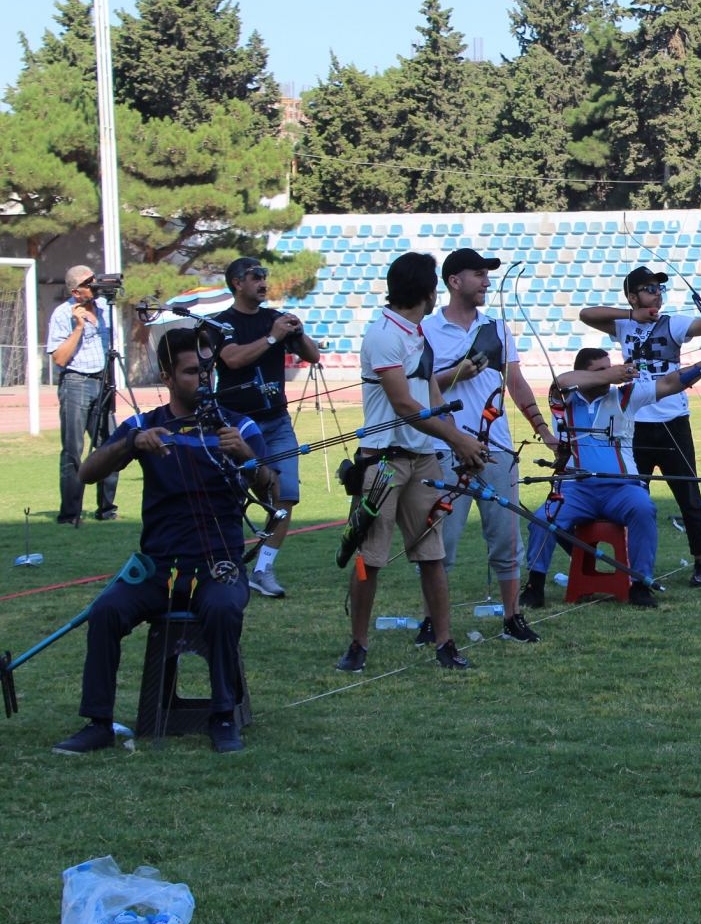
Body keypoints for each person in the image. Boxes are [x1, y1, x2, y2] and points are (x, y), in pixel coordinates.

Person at [52, 327, 275, 755]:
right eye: (191, 372)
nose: (203, 380)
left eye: (207, 371)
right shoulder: (144, 425)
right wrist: (131, 444)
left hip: (218, 567)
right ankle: (98, 722)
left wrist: (249, 458)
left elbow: (272, 494)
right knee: (105, 613)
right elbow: (87, 472)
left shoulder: (240, 426)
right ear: (167, 375)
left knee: (225, 609)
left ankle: (224, 716)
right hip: (158, 570)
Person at [336, 252, 487, 674]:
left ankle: (445, 643)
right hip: (383, 461)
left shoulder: (419, 333)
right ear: (426, 290)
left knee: (432, 555)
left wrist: (460, 442)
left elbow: (431, 397)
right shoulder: (384, 335)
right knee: (370, 556)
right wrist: (457, 439)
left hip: (422, 460)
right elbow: (404, 403)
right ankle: (358, 644)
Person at [577, 267, 701, 589]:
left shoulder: (672, 322)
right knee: (631, 496)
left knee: (688, 495)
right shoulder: (623, 323)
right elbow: (586, 313)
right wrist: (634, 314)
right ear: (632, 296)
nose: (657, 294)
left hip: (672, 420)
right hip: (634, 425)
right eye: (648, 289)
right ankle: (630, 566)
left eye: (659, 289)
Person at [423, 247, 558, 644]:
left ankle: (512, 617)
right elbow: (421, 390)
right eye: (478, 274)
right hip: (445, 446)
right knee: (440, 544)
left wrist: (542, 429)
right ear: (454, 281)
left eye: (487, 274)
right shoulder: (427, 330)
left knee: (506, 540)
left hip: (496, 447)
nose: (486, 281)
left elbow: (515, 383)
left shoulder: (497, 329)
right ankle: (430, 621)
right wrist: (457, 373)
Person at [538, 342, 701, 607]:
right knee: (543, 518)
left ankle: (641, 584)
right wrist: (608, 375)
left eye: (610, 368)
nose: (610, 374)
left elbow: (670, 383)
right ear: (585, 373)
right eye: (601, 370)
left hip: (621, 487)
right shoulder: (564, 400)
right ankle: (535, 586)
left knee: (643, 508)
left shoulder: (624, 396)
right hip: (576, 489)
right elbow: (561, 381)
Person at [216, 256, 322, 599]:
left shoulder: (276, 319)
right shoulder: (221, 323)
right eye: (255, 276)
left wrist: (299, 333)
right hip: (236, 425)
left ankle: (263, 569)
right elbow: (231, 359)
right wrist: (273, 339)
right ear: (237, 283)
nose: (263, 281)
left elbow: (313, 356)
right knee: (235, 496)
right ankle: (228, 564)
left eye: (264, 275)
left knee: (285, 494)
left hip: (277, 421)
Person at [46, 265, 118, 525]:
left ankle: (107, 509)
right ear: (76, 291)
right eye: (90, 283)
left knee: (110, 446)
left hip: (103, 382)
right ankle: (70, 513)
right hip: (76, 382)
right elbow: (60, 359)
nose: (95, 285)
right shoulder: (62, 314)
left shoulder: (104, 308)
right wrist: (78, 327)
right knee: (73, 450)